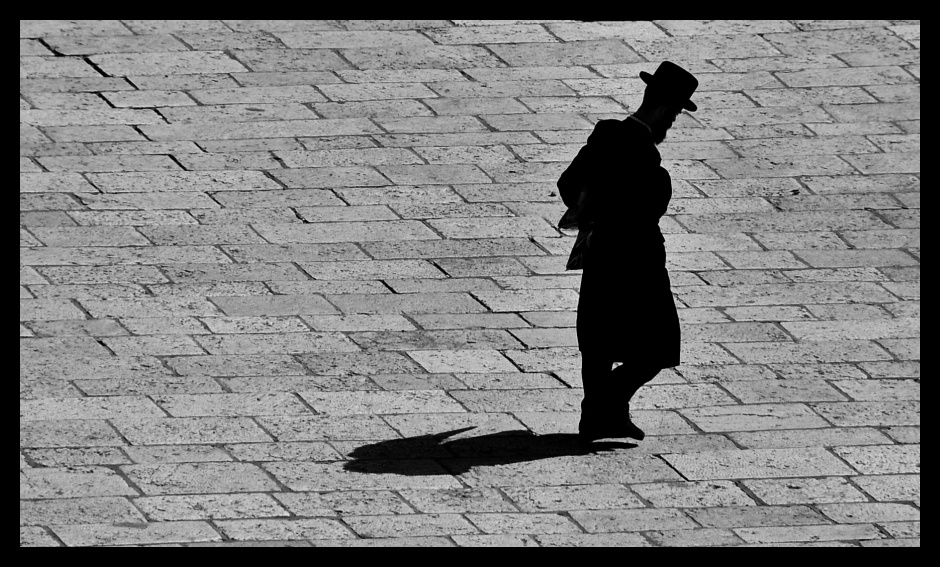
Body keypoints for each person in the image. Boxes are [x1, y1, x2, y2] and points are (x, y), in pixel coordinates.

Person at [556, 61, 699, 443]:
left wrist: (593, 210)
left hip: (601, 251)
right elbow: (650, 203)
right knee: (660, 344)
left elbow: (568, 184)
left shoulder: (605, 134)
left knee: (599, 340)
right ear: (666, 109)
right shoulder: (641, 150)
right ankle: (608, 404)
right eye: (674, 114)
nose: (672, 123)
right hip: (638, 259)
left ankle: (602, 417)